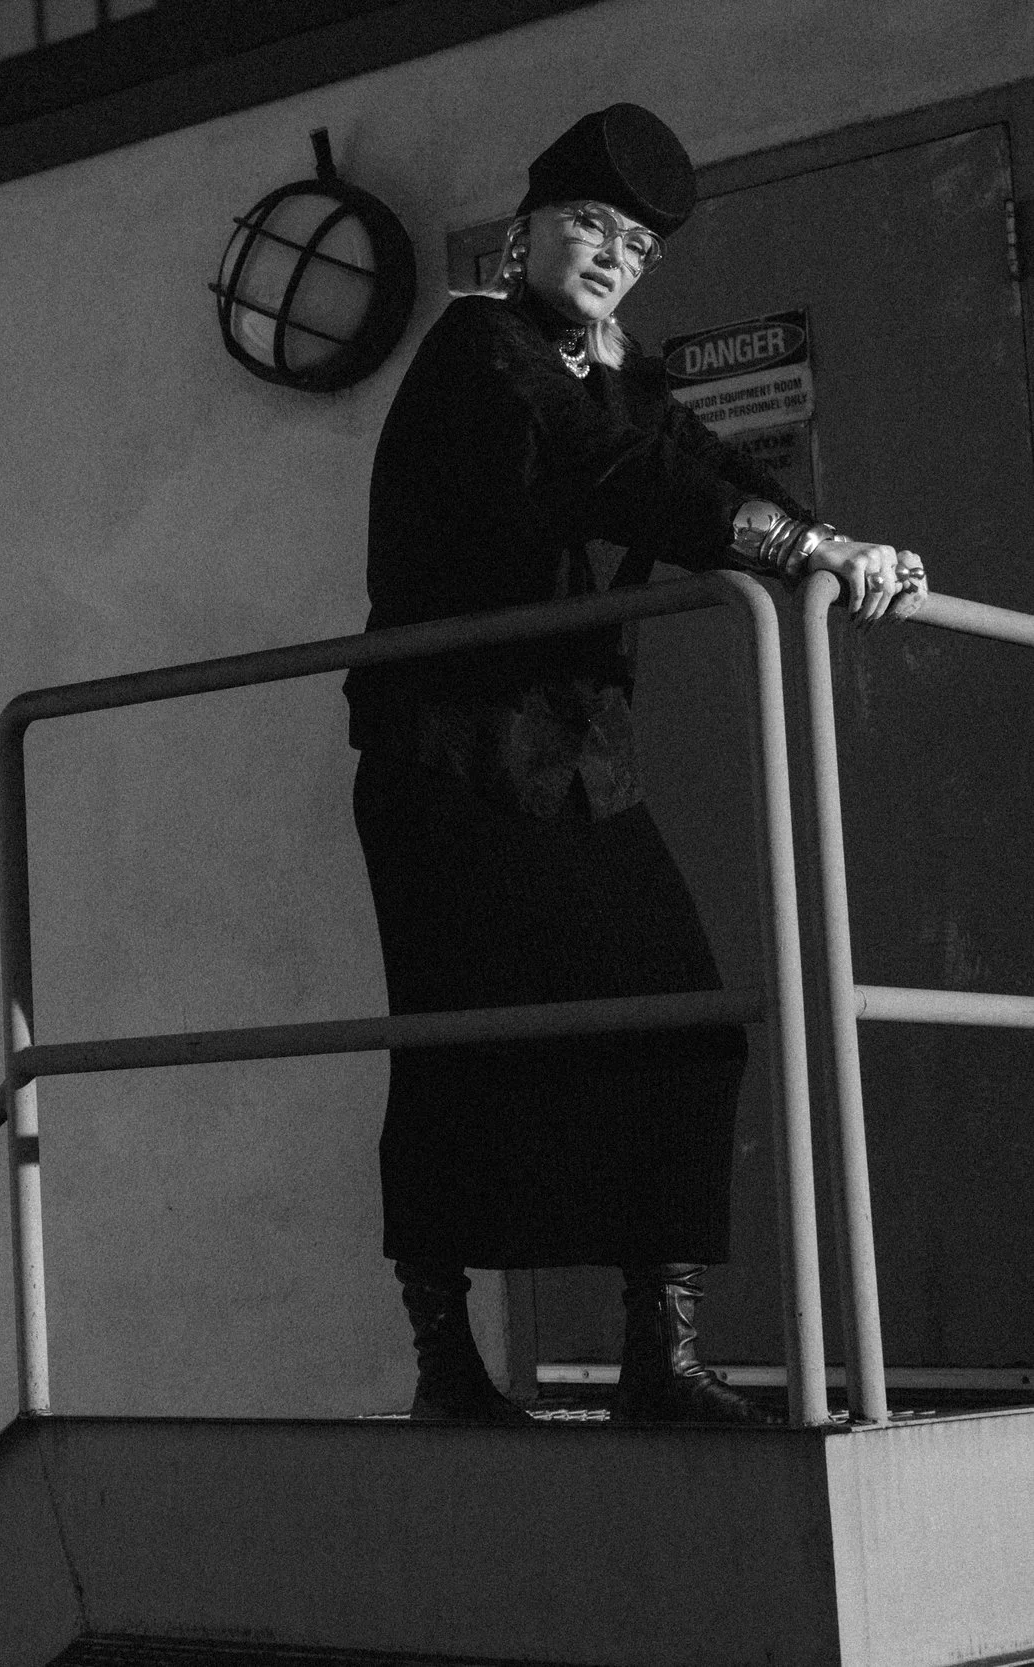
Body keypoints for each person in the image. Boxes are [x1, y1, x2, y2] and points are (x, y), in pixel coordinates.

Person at [342, 104, 927, 1425]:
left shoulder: (620, 375)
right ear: (527, 230)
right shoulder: (477, 353)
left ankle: (657, 1352)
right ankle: (446, 1362)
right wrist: (794, 551)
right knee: (454, 1050)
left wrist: (842, 544)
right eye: (591, 227)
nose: (612, 255)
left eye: (638, 246)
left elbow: (694, 462)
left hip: (580, 765)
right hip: (452, 759)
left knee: (682, 1025)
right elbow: (607, 473)